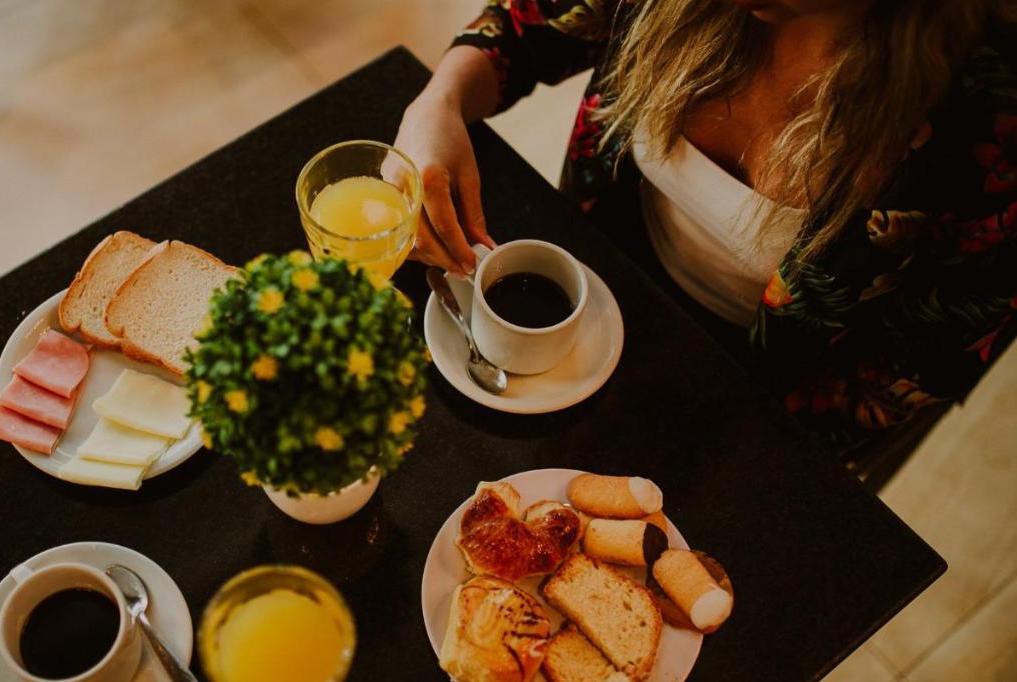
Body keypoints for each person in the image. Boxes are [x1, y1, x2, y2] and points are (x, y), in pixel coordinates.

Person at [394, 0, 1016, 459]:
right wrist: (437, 103)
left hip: (763, 403)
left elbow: (913, 369)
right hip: (602, 262)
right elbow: (530, 26)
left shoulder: (990, 122)